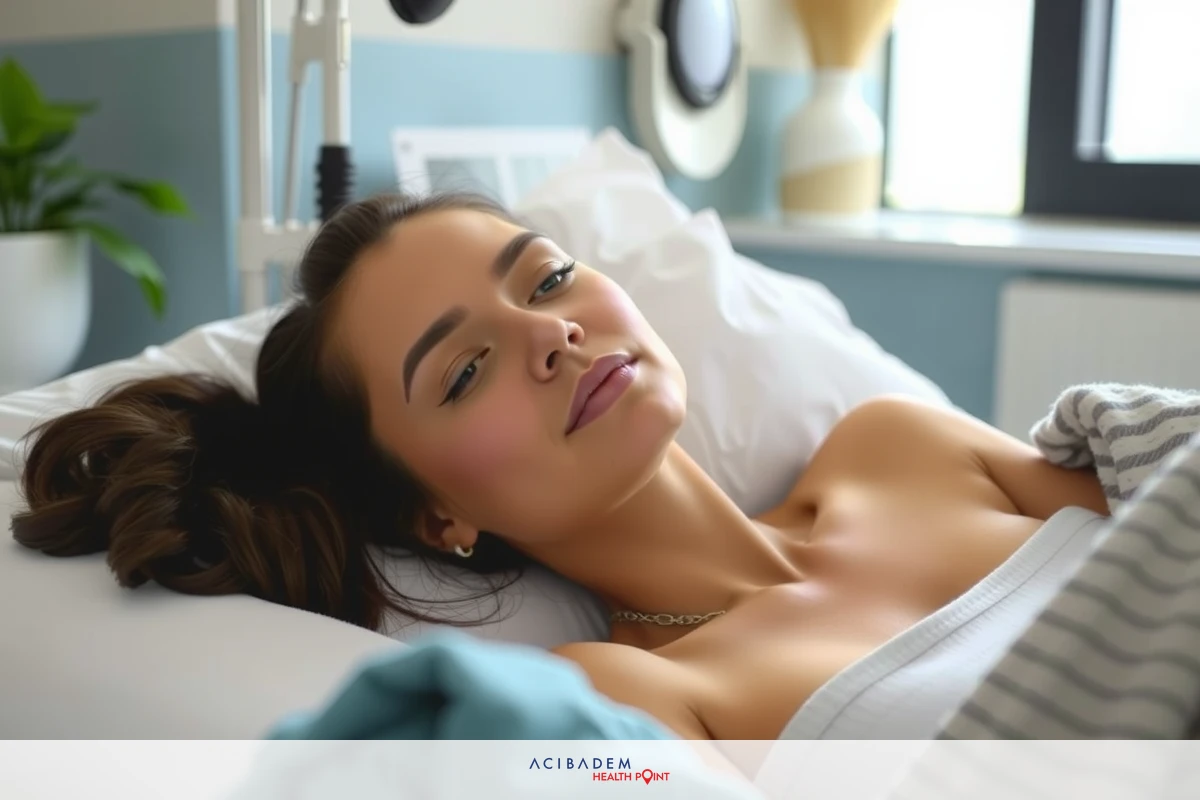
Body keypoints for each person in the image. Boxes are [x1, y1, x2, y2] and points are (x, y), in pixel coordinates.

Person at [11, 192, 1110, 741]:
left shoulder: (901, 442)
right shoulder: (634, 690)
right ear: (436, 512)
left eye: (544, 281)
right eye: (462, 371)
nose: (553, 337)